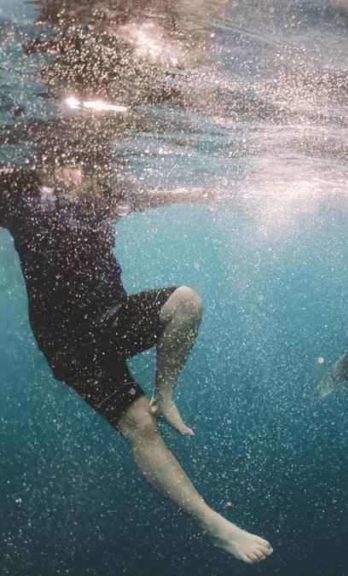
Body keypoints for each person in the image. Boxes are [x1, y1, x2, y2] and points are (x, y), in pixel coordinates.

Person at [0, 164, 273, 564]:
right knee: (139, 426)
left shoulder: (104, 187)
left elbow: (149, 194)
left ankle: (165, 395)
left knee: (186, 303)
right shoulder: (15, 188)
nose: (77, 175)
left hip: (113, 317)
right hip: (68, 343)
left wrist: (202, 192)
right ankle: (213, 524)